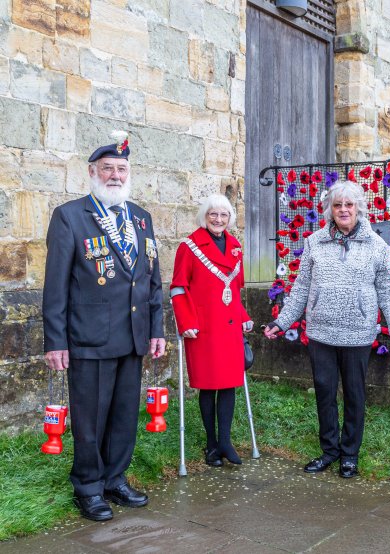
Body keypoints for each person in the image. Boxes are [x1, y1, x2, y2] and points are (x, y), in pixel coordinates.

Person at [42, 132, 166, 522]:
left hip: (132, 337)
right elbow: (56, 286)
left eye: (121, 169)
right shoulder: (70, 216)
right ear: (92, 172)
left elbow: (152, 281)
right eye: (108, 169)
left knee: (124, 416)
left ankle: (115, 479)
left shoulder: (140, 218)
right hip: (89, 337)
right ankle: (89, 486)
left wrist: (157, 330)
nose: (115, 175)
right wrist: (55, 341)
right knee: (90, 420)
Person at [264, 180, 390, 478]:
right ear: (329, 210)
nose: (343, 210)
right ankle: (329, 450)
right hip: (321, 333)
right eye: (337, 205)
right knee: (325, 393)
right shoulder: (314, 242)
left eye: (349, 204)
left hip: (358, 332)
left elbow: (389, 290)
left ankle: (350, 455)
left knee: (354, 394)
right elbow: (301, 287)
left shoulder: (376, 245)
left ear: (359, 208)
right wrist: (282, 321)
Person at [170, 194, 254, 466]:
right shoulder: (189, 246)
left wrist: (243, 316)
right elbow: (179, 288)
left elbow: (234, 289)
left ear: (229, 218)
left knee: (230, 384)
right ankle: (210, 444)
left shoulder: (235, 247)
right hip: (202, 328)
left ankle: (225, 443)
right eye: (213, 215)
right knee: (208, 386)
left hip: (229, 327)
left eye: (224, 215)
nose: (218, 220)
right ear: (204, 216)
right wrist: (186, 322)